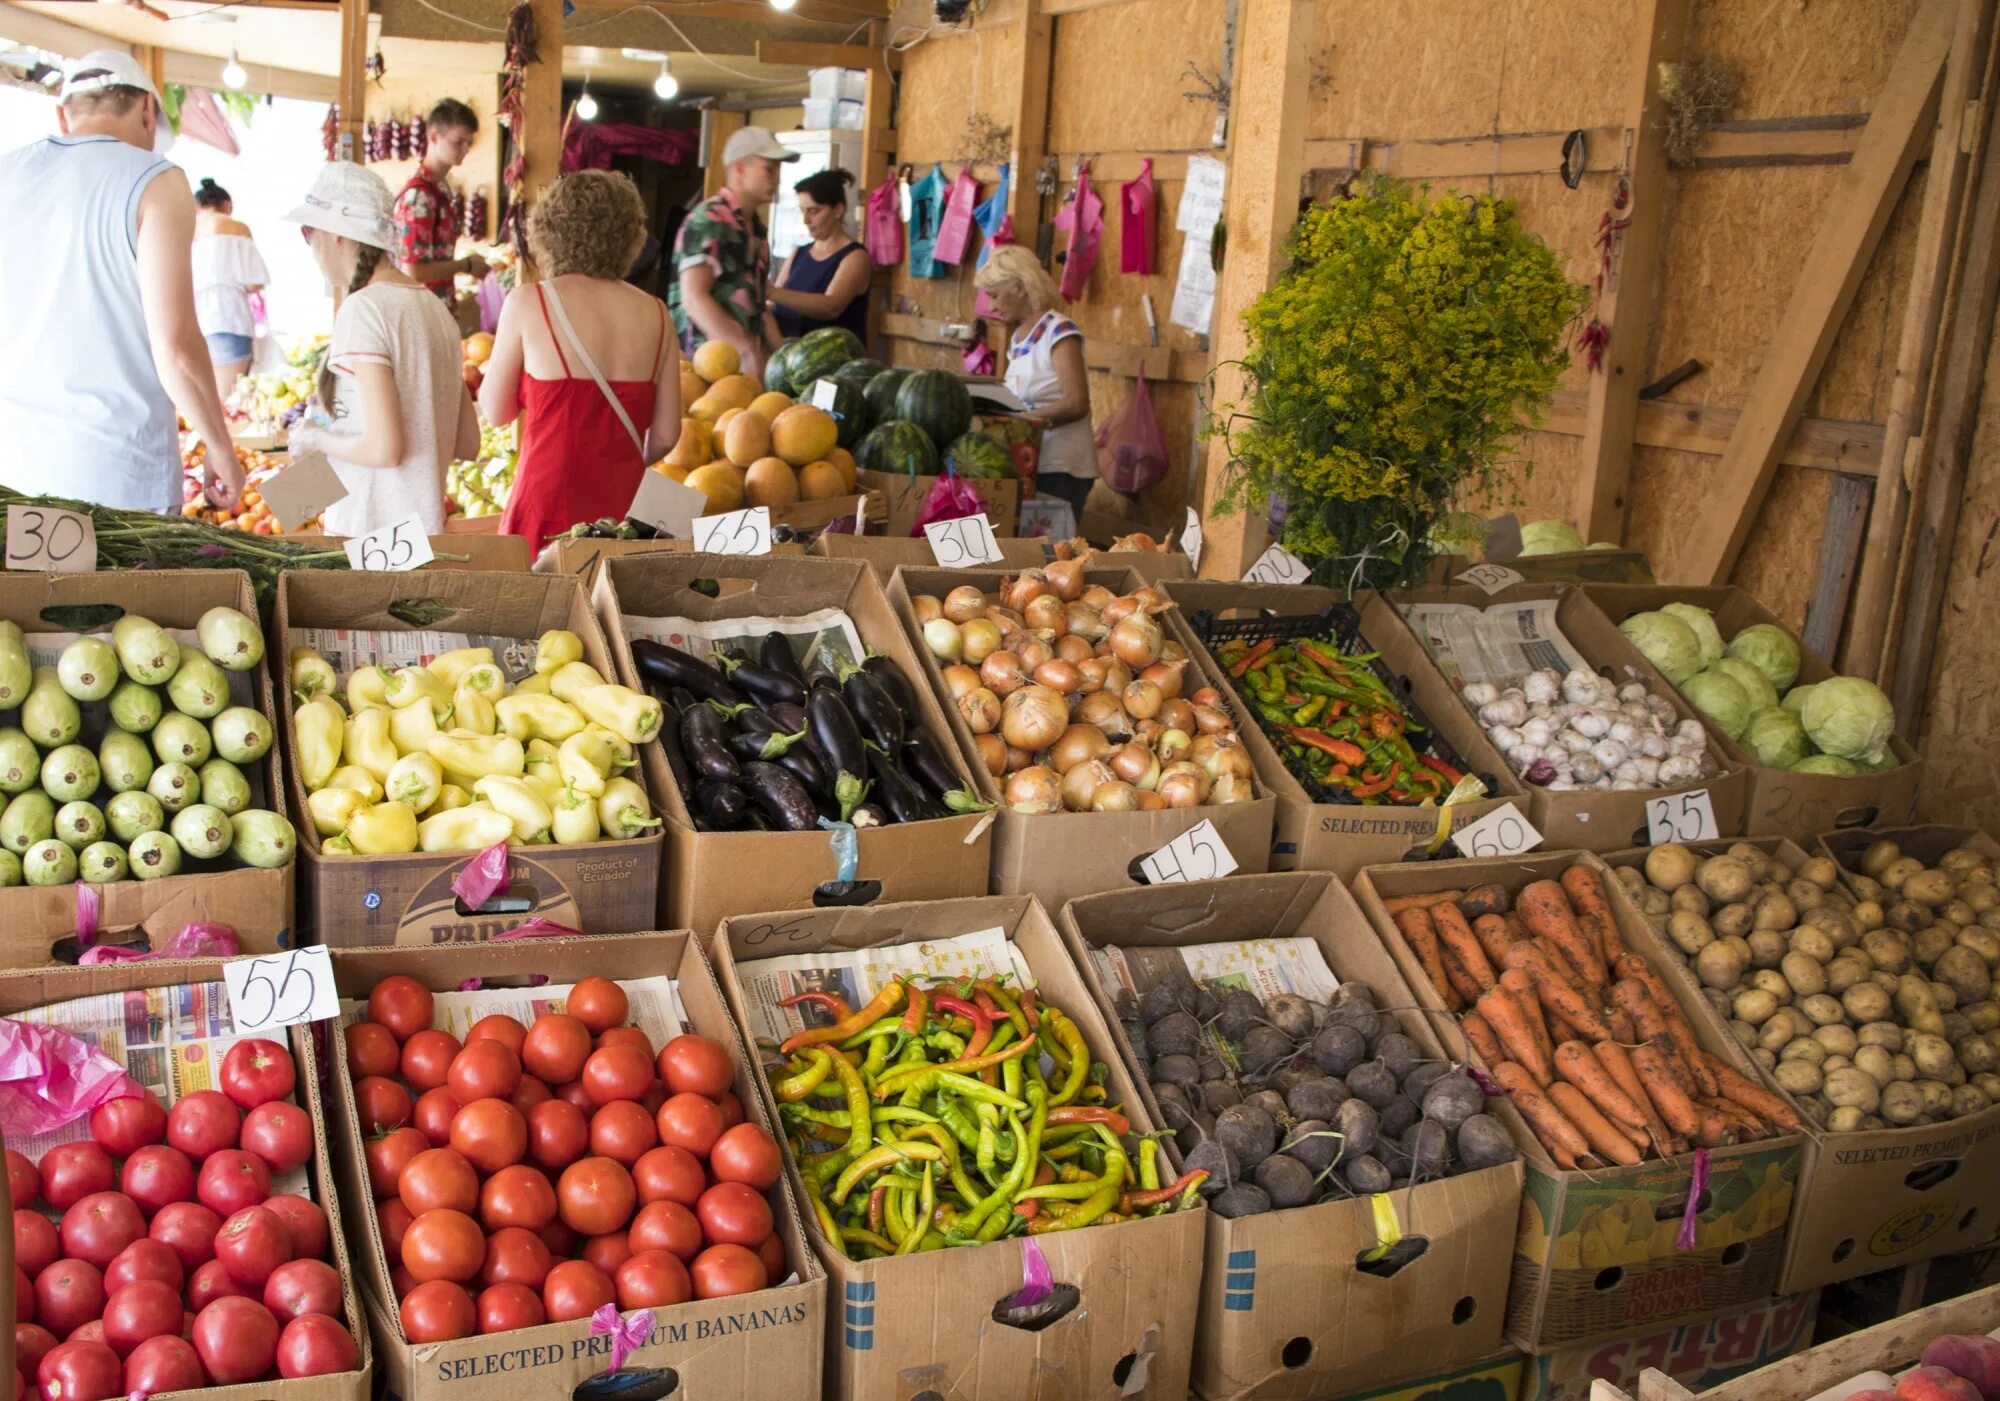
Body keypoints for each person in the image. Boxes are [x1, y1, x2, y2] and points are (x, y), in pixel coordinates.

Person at [0, 50, 240, 513]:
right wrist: (219, 445)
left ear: (63, 115)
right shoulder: (158, 180)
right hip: (116, 476)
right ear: (148, 110)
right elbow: (175, 346)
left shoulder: (5, 173)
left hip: (14, 469)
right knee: (119, 588)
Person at [478, 171, 680, 556]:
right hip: (623, 508)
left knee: (541, 610)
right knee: (612, 611)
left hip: (546, 501)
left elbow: (495, 411)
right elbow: (668, 434)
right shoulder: (656, 314)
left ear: (549, 231)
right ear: (631, 236)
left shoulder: (528, 303)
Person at [285, 163, 477, 538]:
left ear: (336, 234)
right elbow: (468, 443)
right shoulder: (436, 310)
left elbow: (385, 450)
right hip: (421, 539)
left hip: (369, 539)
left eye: (309, 233)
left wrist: (315, 438)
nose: (311, 249)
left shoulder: (363, 309)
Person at [974, 245, 1095, 517]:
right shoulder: (1017, 339)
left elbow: (1077, 403)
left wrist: (1020, 421)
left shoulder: (1059, 331)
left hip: (1062, 467)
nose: (991, 306)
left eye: (994, 295)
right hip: (1031, 464)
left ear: (1018, 287)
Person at [668, 125, 795, 375]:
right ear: (740, 169)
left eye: (778, 170)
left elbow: (758, 306)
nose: (776, 178)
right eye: (769, 169)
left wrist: (783, 360)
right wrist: (744, 348)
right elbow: (694, 298)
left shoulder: (757, 231)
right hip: (702, 368)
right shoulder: (708, 219)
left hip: (744, 371)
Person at [393, 97, 487, 301]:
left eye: (468, 143)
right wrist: (467, 265)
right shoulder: (419, 196)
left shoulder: (444, 188)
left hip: (439, 307)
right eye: (458, 142)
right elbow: (414, 270)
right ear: (434, 137)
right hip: (421, 313)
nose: (465, 150)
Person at [767, 168, 870, 342]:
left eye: (814, 211)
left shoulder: (855, 257)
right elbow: (772, 305)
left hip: (835, 364)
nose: (805, 220)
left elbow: (831, 307)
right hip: (788, 359)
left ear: (838, 210)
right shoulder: (798, 253)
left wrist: (771, 292)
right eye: (802, 211)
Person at [191, 178, 270, 401]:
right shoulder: (236, 228)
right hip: (229, 318)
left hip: (194, 322)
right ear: (227, 204)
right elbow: (254, 282)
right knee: (227, 399)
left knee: (201, 399)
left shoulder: (187, 230)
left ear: (198, 207)